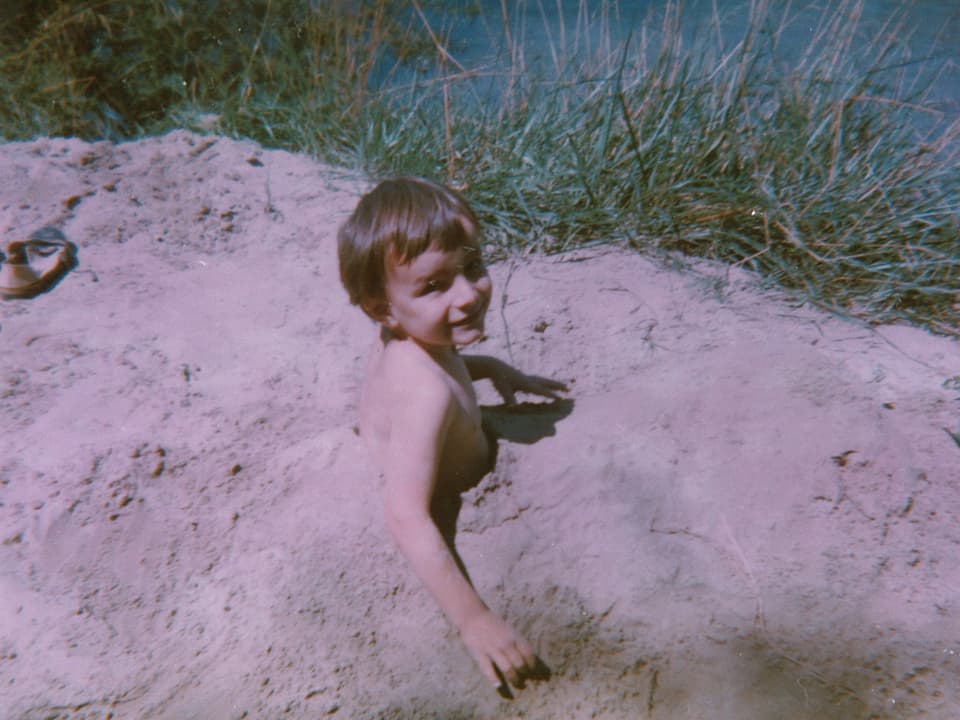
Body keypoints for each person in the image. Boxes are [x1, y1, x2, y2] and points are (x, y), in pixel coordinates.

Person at [337, 176, 567, 692]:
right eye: (434, 285)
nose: (468, 294)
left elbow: (446, 363)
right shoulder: (426, 396)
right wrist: (474, 620)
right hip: (440, 483)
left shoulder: (408, 336)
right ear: (383, 308)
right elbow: (404, 513)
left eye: (473, 266)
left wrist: (494, 369)